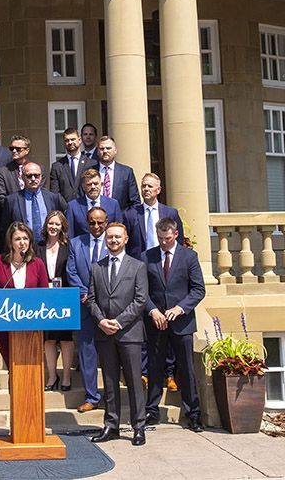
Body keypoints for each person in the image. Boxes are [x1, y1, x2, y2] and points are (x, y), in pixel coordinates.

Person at [88, 222, 149, 446]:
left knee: (134, 381)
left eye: (117, 237)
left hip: (129, 332)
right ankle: (111, 425)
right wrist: (102, 321)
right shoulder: (97, 267)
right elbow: (91, 299)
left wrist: (119, 322)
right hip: (105, 333)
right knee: (110, 381)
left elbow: (141, 299)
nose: (113, 240)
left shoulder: (137, 266)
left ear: (126, 239)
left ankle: (139, 427)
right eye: (110, 237)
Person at [145, 216, 205, 433]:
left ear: (176, 235)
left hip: (182, 323)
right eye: (160, 238)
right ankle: (152, 412)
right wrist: (153, 310)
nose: (163, 243)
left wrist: (180, 308)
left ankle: (193, 414)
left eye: (167, 239)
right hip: (156, 323)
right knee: (154, 368)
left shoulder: (189, 257)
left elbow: (198, 289)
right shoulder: (147, 257)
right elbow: (142, 291)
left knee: (186, 370)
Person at [0, 222, 50, 367]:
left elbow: (44, 294)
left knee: (30, 366)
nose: (22, 243)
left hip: (32, 325)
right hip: (5, 324)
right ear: (10, 242)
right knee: (12, 366)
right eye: (18, 239)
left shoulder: (37, 263)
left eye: (25, 239)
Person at [65, 206, 109, 413]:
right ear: (86, 223)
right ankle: (92, 396)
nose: (96, 226)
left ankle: (111, 395)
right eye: (92, 222)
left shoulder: (113, 242)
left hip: (110, 308)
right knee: (87, 353)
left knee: (111, 354)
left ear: (106, 222)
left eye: (100, 222)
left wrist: (102, 298)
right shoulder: (75, 243)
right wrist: (87, 296)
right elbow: (71, 272)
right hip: (84, 306)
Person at [37, 210, 73, 392]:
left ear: (63, 227)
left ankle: (66, 376)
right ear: (46, 225)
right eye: (51, 223)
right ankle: (52, 375)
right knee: (49, 340)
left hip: (64, 297)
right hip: (44, 298)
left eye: (57, 224)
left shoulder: (69, 246)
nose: (53, 227)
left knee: (65, 339)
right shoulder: (38, 247)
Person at [123, 172, 185, 258]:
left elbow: (179, 239)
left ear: (158, 190)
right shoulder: (130, 214)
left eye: (150, 186)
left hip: (164, 261)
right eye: (143, 186)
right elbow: (125, 242)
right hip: (139, 263)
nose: (146, 189)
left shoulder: (171, 213)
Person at [4, 161, 68, 236]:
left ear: (41, 176)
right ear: (22, 177)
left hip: (48, 245)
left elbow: (66, 222)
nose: (33, 179)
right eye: (29, 176)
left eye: (36, 175)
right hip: (24, 245)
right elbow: (5, 230)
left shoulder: (54, 198)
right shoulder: (11, 200)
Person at [67, 168, 122, 238]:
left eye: (96, 184)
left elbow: (119, 231)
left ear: (101, 184)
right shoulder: (73, 206)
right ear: (83, 187)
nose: (93, 187)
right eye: (89, 184)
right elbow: (70, 234)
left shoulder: (113, 204)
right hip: (83, 247)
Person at [49, 127, 95, 203]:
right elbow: (55, 193)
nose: (70, 142)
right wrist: (67, 208)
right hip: (65, 210)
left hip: (86, 209)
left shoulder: (91, 163)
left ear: (79, 140)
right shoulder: (57, 166)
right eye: (67, 140)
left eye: (73, 139)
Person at [95, 135, 139, 212]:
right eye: (102, 149)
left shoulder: (126, 172)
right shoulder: (90, 171)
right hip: (95, 221)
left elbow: (135, 202)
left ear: (115, 151)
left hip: (120, 221)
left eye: (108, 148)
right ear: (97, 151)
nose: (105, 151)